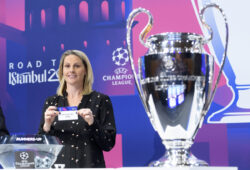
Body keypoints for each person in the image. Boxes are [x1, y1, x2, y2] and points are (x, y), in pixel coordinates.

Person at [38, 50, 116, 168]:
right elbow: (41, 148)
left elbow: (108, 144)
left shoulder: (100, 100)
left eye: (77, 66)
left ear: (85, 70)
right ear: (62, 71)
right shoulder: (51, 102)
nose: (71, 70)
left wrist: (93, 123)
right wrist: (47, 126)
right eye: (67, 66)